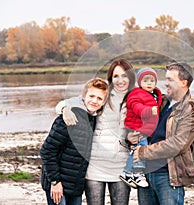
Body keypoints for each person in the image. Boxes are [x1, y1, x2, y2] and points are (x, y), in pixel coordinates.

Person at [55, 58, 136, 205]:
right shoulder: (102, 97)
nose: (120, 80)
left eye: (124, 75)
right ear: (111, 78)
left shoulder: (136, 99)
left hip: (120, 168)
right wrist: (64, 109)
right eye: (116, 76)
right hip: (94, 167)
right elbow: (70, 102)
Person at [133, 62, 194, 205]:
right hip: (146, 174)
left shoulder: (192, 110)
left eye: (170, 80)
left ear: (183, 83)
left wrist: (142, 152)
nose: (165, 84)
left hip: (169, 176)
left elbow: (178, 144)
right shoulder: (161, 102)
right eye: (166, 79)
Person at [40, 78, 109, 205]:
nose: (94, 101)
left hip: (75, 187)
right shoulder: (69, 118)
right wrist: (55, 182)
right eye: (92, 96)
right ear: (84, 96)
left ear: (104, 102)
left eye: (99, 98)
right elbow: (47, 151)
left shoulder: (94, 119)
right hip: (58, 185)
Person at [119, 67, 162, 188]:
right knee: (140, 150)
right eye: (145, 81)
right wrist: (149, 111)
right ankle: (137, 173)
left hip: (145, 129)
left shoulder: (154, 94)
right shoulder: (136, 94)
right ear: (139, 83)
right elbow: (137, 107)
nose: (149, 83)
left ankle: (127, 172)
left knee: (136, 150)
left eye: (152, 81)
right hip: (137, 127)